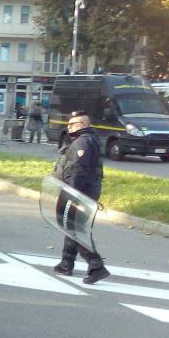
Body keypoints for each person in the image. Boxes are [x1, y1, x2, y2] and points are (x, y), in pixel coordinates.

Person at [53, 112, 110, 285]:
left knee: (75, 229)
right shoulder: (83, 140)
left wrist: (72, 194)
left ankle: (96, 266)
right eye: (68, 124)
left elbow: (78, 171)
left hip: (79, 192)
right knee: (71, 226)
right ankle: (66, 263)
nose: (68, 127)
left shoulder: (83, 141)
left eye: (72, 124)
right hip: (81, 191)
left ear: (83, 124)